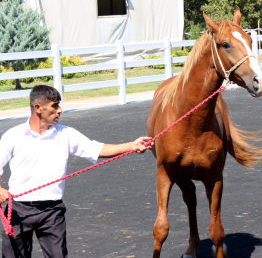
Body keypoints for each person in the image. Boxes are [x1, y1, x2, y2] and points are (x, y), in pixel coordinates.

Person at [0, 85, 153, 257]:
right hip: (18, 211)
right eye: (55, 105)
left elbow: (97, 149)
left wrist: (132, 145)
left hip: (52, 211)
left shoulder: (65, 134)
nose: (60, 110)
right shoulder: (13, 136)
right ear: (38, 108)